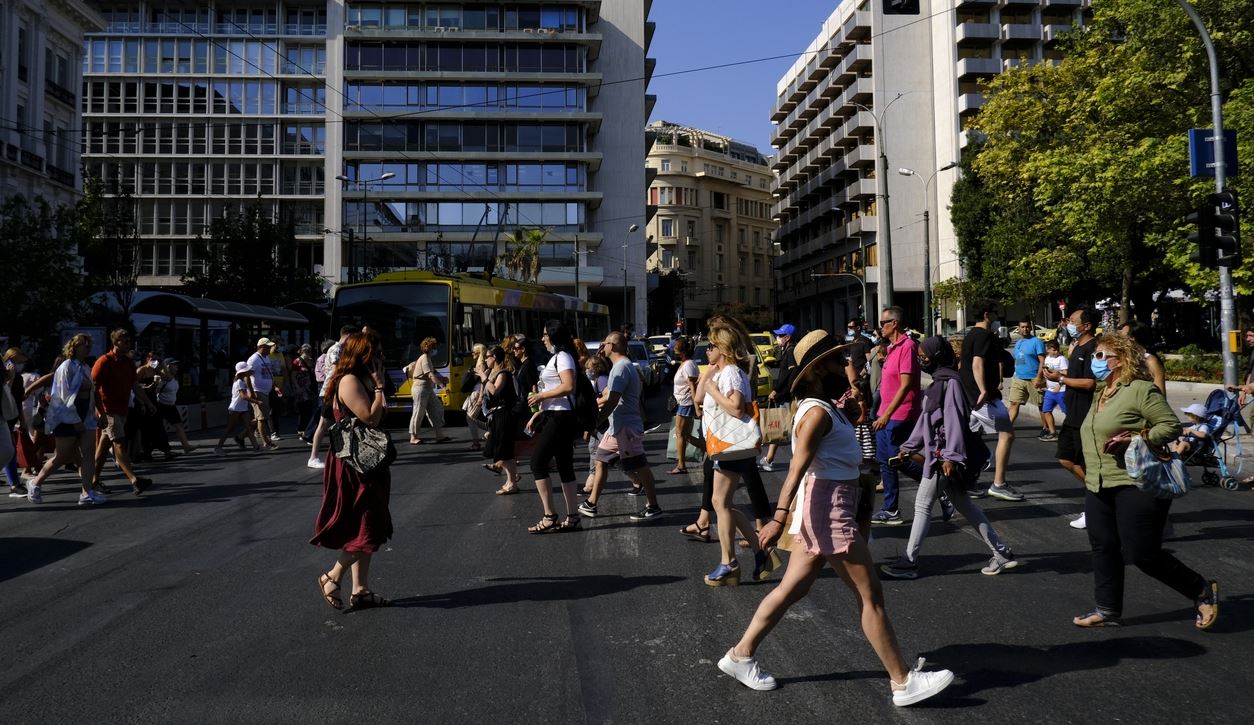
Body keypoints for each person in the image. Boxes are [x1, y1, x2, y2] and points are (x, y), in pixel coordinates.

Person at [715, 330, 955, 706]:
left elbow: (841, 451)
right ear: (816, 370)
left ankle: (739, 655)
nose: (847, 366)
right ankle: (903, 681)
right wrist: (778, 518)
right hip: (828, 508)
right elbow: (796, 469)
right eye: (836, 361)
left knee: (793, 589)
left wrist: (856, 411)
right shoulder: (815, 413)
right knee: (869, 595)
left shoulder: (826, 408)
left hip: (829, 503)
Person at [1072, 333, 1218, 630]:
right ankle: (1107, 609)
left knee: (1141, 553)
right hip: (1099, 483)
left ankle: (1199, 588)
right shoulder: (1102, 391)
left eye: (1101, 356)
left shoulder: (1139, 391)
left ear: (1121, 360)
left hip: (1135, 482)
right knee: (1103, 547)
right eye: (1094, 355)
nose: (1094, 361)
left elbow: (1170, 425)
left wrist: (1138, 438)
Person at [880, 336, 1017, 579]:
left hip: (942, 457)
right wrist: (909, 446)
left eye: (924, 357)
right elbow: (927, 421)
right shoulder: (939, 382)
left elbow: (954, 422)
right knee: (964, 505)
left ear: (938, 357)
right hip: (940, 454)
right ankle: (1001, 552)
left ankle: (909, 562)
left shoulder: (950, 384)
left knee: (922, 505)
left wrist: (951, 457)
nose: (921, 360)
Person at [311, 332, 394, 611]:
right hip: (355, 465)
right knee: (368, 524)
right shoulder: (348, 381)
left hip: (366, 461)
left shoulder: (360, 379)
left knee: (367, 523)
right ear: (363, 356)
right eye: (377, 354)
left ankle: (360, 590)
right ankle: (332, 576)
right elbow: (370, 417)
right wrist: (380, 389)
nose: (381, 359)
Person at [695, 325, 774, 585]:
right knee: (721, 503)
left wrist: (714, 391)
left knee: (721, 503)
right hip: (724, 445)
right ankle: (759, 551)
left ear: (723, 348)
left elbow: (737, 408)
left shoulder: (731, 374)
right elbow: (698, 399)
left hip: (731, 445)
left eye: (711, 346)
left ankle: (729, 562)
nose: (708, 350)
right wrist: (708, 379)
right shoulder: (720, 372)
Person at [578, 331, 663, 521]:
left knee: (641, 466)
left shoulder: (621, 368)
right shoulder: (619, 367)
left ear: (613, 346)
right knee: (600, 459)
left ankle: (654, 506)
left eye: (605, 343)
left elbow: (613, 399)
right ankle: (591, 503)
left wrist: (596, 420)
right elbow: (609, 395)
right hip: (617, 427)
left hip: (625, 427)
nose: (603, 346)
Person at [24, 335, 101, 505]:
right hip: (65, 416)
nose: (88, 347)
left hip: (85, 415)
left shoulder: (86, 367)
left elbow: (92, 393)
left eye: (89, 344)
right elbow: (64, 397)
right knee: (62, 455)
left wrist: (96, 414)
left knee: (89, 454)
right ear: (74, 347)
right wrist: (75, 420)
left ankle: (87, 493)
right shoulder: (66, 367)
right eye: (83, 344)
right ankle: (35, 482)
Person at [1043, 306, 1099, 529]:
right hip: (1072, 413)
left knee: (1086, 463)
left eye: (1073, 320)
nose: (1069, 323)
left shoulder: (1094, 348)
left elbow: (1090, 382)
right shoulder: (1077, 347)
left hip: (1085, 415)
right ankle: (1099, 496)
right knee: (1065, 458)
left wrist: (1062, 380)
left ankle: (1096, 504)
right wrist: (1058, 376)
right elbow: (1076, 376)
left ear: (1087, 326)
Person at [960, 303, 1022, 502]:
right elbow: (977, 363)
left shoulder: (970, 335)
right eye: (995, 313)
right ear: (987, 314)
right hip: (983, 399)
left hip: (970, 398)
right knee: (1007, 434)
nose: (998, 318)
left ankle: (966, 481)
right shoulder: (983, 336)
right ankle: (999, 484)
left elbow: (964, 364)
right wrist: (983, 390)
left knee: (970, 437)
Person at [524, 321, 582, 533]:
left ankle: (550, 516)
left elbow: (568, 387)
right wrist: (540, 410)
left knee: (537, 462)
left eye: (545, 335)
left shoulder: (563, 357)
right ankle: (573, 517)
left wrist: (541, 395)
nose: (542, 339)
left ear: (554, 337)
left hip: (561, 418)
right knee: (564, 465)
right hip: (556, 415)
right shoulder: (558, 357)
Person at [871, 306, 923, 525]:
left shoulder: (907, 346)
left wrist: (886, 415)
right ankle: (890, 509)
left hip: (900, 413)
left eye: (883, 323)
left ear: (895, 323)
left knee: (895, 459)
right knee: (885, 461)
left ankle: (939, 486)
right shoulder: (890, 348)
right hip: (885, 412)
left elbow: (905, 385)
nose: (880, 327)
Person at [90, 329, 155, 496]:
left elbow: (135, 386)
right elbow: (94, 389)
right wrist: (100, 412)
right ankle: (134, 480)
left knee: (103, 449)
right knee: (119, 443)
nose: (128, 344)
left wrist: (147, 403)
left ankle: (93, 481)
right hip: (108, 411)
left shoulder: (128, 363)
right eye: (125, 341)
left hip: (122, 410)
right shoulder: (103, 361)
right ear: (116, 342)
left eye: (129, 341)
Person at [308, 326, 356, 469]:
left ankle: (343, 454)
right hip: (331, 392)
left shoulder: (343, 349)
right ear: (348, 336)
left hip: (336, 391)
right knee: (324, 424)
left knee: (339, 423)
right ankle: (313, 457)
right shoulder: (336, 349)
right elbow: (337, 371)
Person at [482, 345, 523, 495]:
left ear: (494, 357)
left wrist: (483, 377)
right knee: (497, 449)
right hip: (497, 415)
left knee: (503, 450)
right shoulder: (492, 372)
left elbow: (494, 391)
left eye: (488, 356)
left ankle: (512, 482)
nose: (485, 359)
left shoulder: (502, 373)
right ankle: (511, 480)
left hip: (505, 414)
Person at [760, 324, 797, 472]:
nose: (777, 338)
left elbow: (789, 377)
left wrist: (777, 391)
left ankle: (797, 461)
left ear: (787, 338)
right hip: (784, 396)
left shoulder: (791, 352)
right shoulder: (787, 351)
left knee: (791, 431)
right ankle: (768, 459)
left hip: (786, 397)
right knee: (779, 428)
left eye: (780, 336)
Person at [405, 336, 450, 445]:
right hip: (420, 389)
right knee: (418, 412)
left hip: (427, 389)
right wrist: (442, 386)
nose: (436, 349)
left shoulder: (427, 358)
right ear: (429, 348)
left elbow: (430, 374)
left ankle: (439, 435)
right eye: (434, 347)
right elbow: (430, 375)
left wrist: (442, 379)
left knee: (437, 409)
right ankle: (413, 437)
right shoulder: (424, 358)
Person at [1006, 319, 1046, 429]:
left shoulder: (1037, 342)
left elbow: (1042, 361)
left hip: (1034, 378)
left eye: (1027, 327)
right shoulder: (1018, 343)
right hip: (1018, 378)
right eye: (1022, 327)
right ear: (1018, 329)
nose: (1025, 329)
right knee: (1014, 403)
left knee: (1041, 405)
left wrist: (1039, 377)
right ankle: (1007, 429)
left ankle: (1046, 428)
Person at [214, 363, 262, 453]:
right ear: (243, 372)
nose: (249, 371)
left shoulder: (241, 380)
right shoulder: (239, 382)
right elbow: (243, 396)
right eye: (247, 370)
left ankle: (256, 447)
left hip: (242, 408)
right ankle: (218, 447)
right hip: (235, 409)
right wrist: (256, 402)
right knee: (229, 428)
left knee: (248, 427)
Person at [669, 337, 699, 475]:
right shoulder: (685, 363)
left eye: (676, 346)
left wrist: (696, 406)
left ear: (681, 350)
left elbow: (692, 386)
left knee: (681, 434)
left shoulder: (688, 365)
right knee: (683, 434)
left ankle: (681, 465)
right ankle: (710, 452)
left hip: (686, 403)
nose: (674, 348)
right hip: (682, 403)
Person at [247, 338, 279, 447]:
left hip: (265, 391)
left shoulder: (266, 358)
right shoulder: (254, 359)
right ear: (261, 347)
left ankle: (241, 436)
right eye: (268, 347)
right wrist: (251, 392)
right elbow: (247, 376)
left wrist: (274, 386)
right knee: (261, 418)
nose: (270, 348)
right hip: (257, 391)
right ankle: (266, 442)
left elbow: (269, 374)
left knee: (260, 417)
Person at [1120, 320, 1166, 395]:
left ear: (1132, 338)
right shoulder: (1122, 357)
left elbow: (1160, 393)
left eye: (1122, 335)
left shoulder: (1150, 360)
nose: (1119, 339)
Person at [1039, 340, 1068, 443]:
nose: (1056, 352)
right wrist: (1043, 383)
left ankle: (1069, 432)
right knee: (1046, 411)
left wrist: (1059, 385)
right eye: (1054, 350)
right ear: (1048, 350)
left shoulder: (1061, 359)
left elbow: (1065, 373)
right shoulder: (1047, 358)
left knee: (1067, 412)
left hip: (1061, 390)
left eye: (1057, 350)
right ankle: (1053, 432)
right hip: (1049, 391)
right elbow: (1046, 372)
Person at [291, 344, 317, 439]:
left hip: (310, 389)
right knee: (302, 410)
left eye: (309, 352)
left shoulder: (311, 361)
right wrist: (297, 387)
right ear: (302, 352)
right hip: (302, 389)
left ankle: (307, 429)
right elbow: (293, 376)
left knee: (310, 409)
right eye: (306, 352)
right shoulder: (297, 362)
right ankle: (300, 429)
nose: (307, 354)